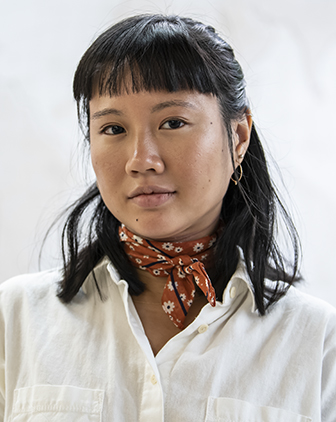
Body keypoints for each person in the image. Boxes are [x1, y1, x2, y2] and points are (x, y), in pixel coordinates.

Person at [0, 14, 335, 422]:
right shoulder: (15, 317)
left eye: (173, 122)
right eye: (113, 128)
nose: (142, 160)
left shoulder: (318, 341)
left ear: (239, 136)